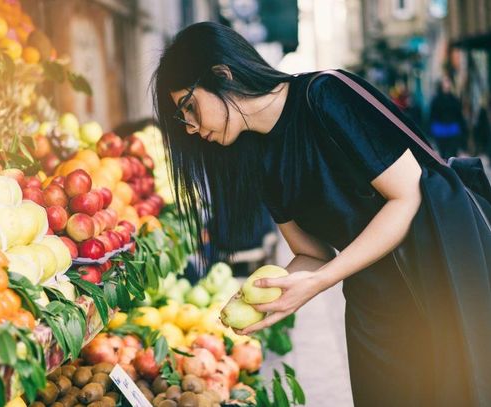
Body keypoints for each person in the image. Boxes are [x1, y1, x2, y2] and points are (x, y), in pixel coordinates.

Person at [152, 22, 491, 406]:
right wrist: (270, 296)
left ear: (221, 74)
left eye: (189, 107)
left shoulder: (325, 94)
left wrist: (322, 280)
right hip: (374, 309)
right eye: (184, 119)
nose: (192, 128)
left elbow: (407, 195)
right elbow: (313, 254)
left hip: (440, 280)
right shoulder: (260, 159)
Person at [428, 76, 467, 158]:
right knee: (443, 154)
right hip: (440, 130)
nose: (447, 84)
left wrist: (463, 129)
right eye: (445, 82)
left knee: (453, 154)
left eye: (448, 82)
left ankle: (451, 169)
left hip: (452, 130)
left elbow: (459, 115)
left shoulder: (454, 100)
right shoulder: (436, 100)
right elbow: (432, 116)